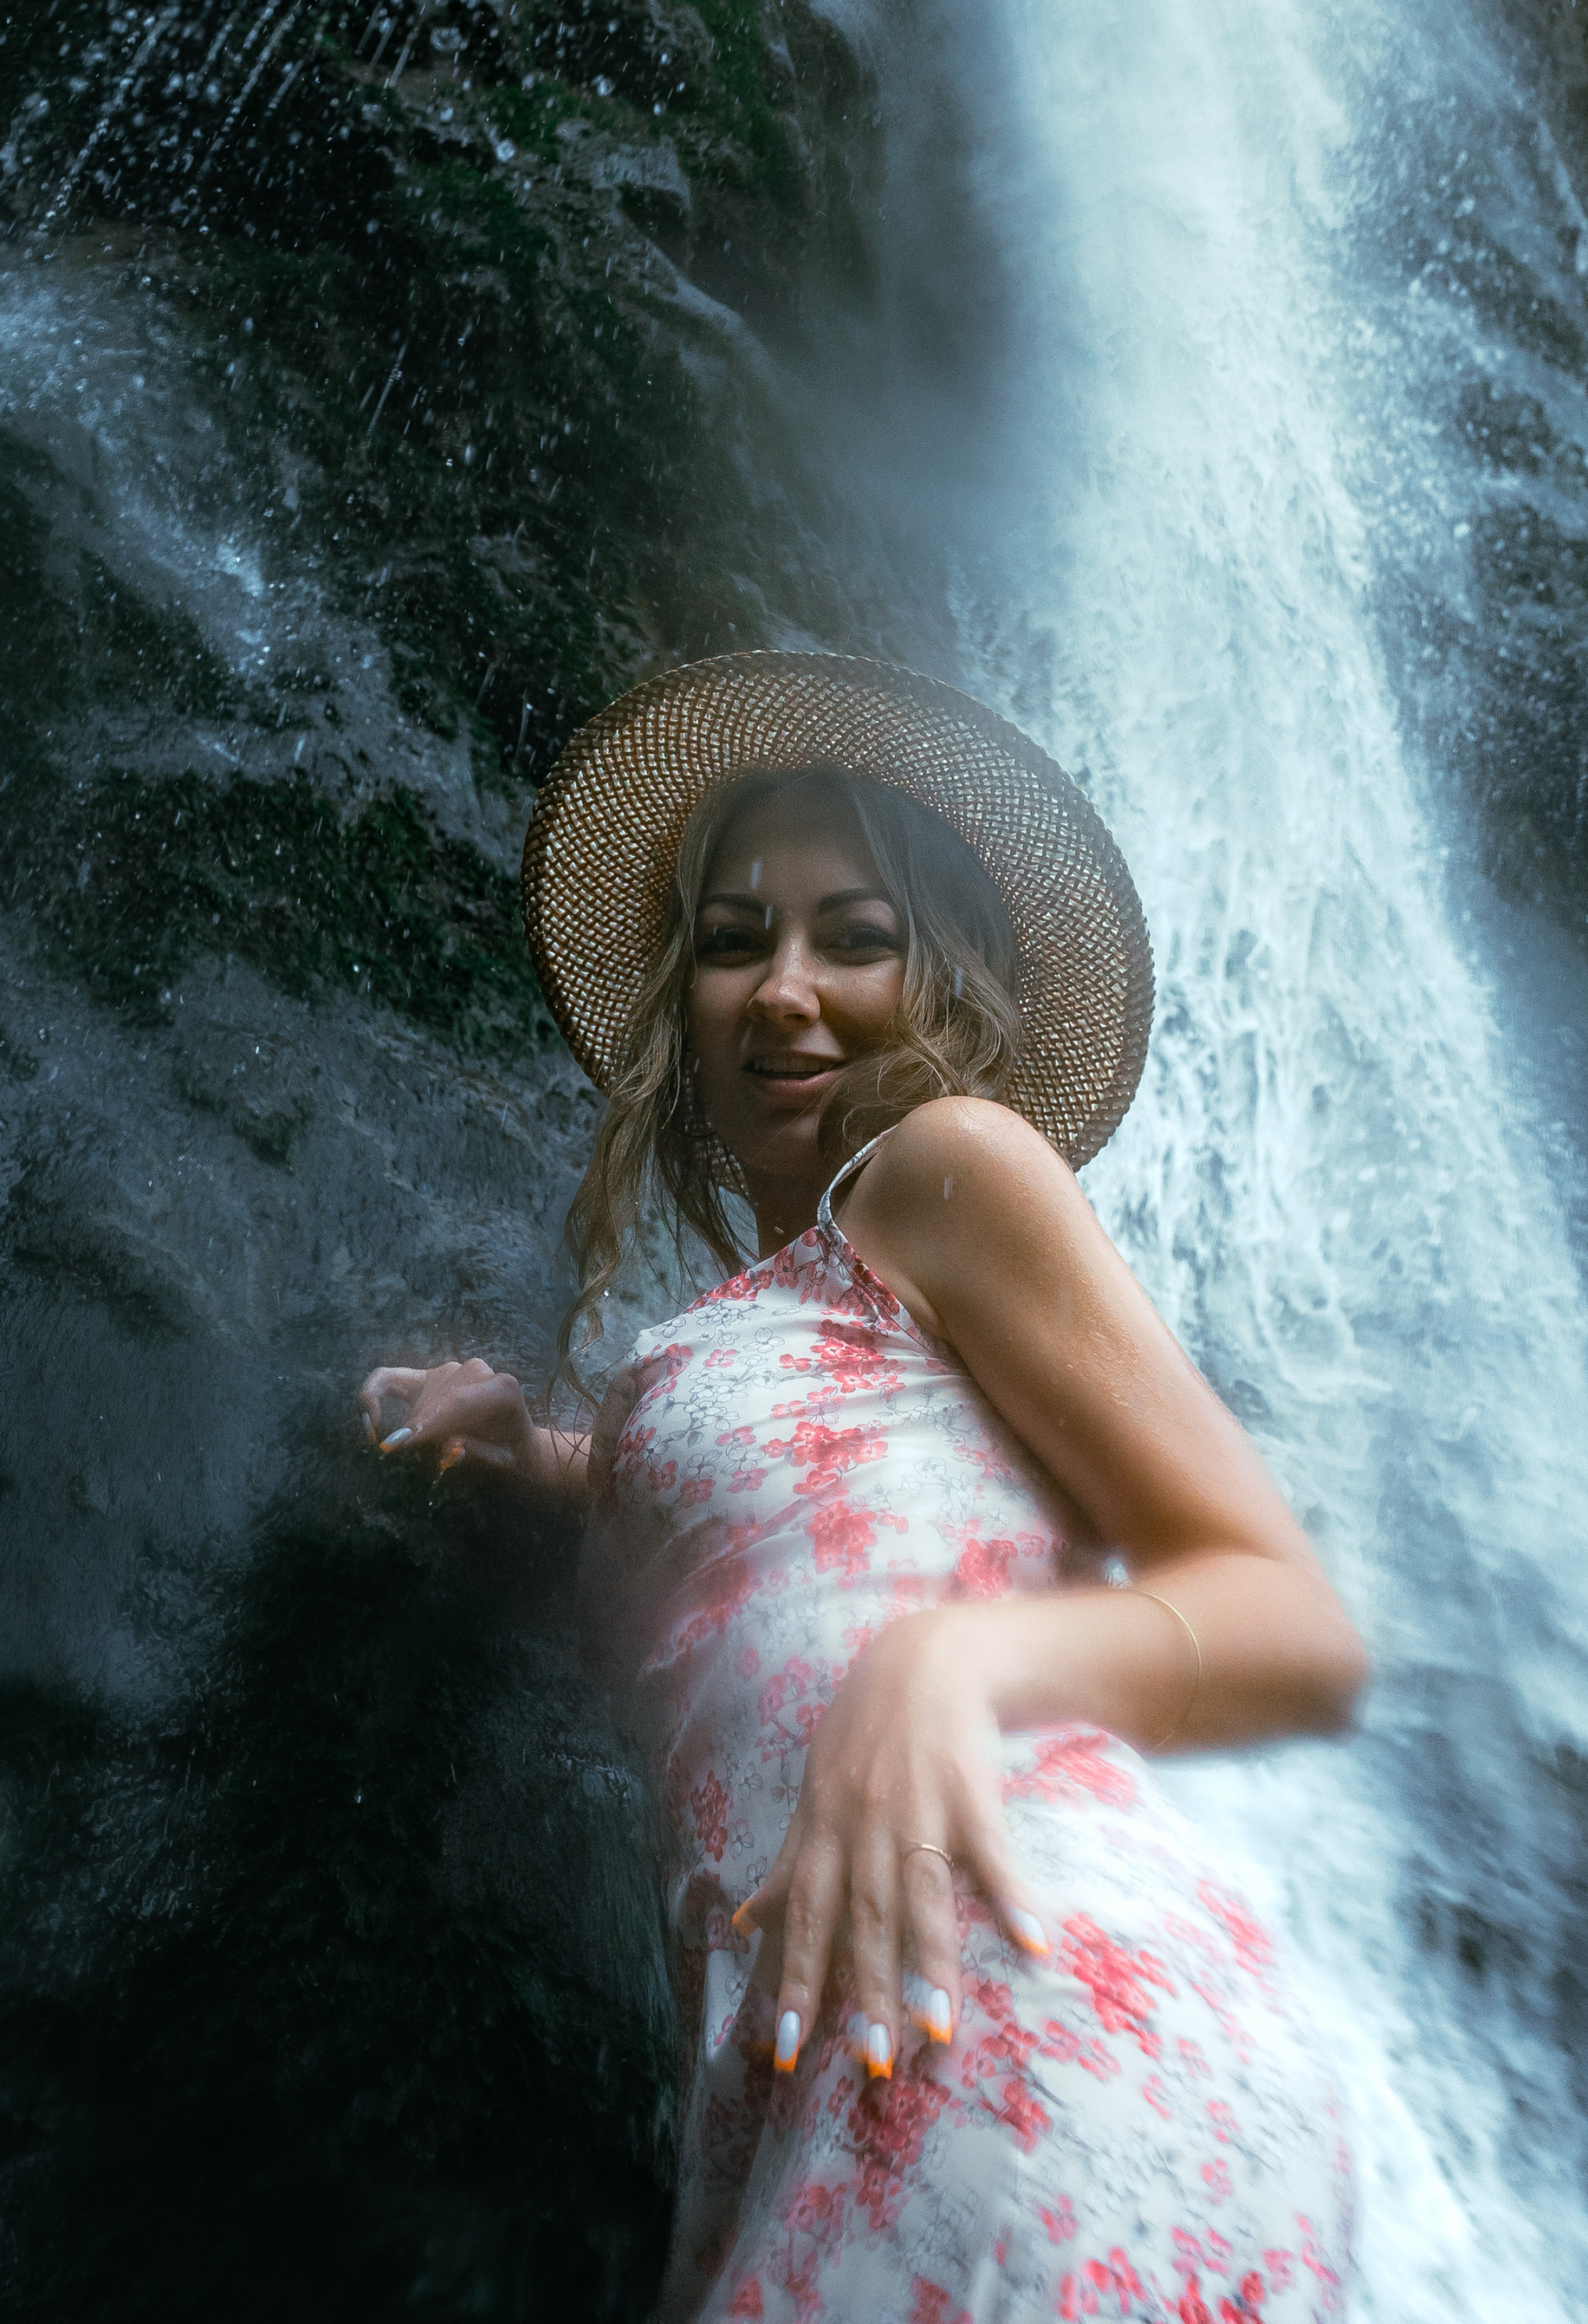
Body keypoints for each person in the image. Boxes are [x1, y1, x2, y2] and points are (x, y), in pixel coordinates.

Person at [361, 651, 1364, 2323]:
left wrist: (951, 1660)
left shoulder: (944, 1167)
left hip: (1052, 2024)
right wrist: (519, 1448)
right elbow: (732, 1539)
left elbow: (1289, 1619)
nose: (784, 987)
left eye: (857, 936)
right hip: (836, 2078)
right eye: (736, 940)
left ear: (940, 980)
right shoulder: (751, 1329)